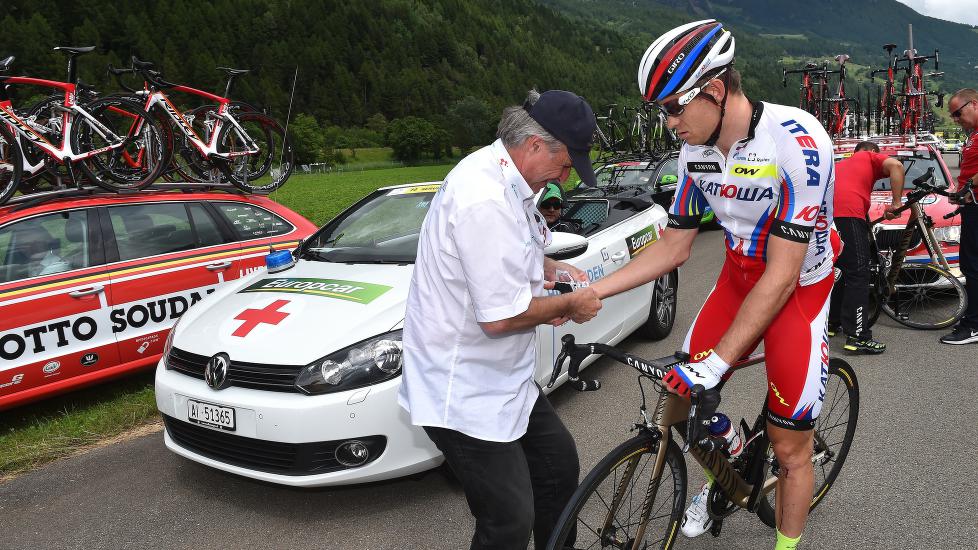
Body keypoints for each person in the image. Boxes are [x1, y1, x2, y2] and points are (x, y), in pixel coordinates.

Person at [591, 20, 837, 550]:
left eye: (674, 107)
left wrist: (719, 363)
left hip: (797, 287)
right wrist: (591, 293)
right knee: (679, 393)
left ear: (717, 90)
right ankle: (721, 477)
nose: (668, 122)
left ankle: (786, 544)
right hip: (737, 278)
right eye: (660, 111)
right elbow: (674, 247)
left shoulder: (796, 141)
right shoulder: (692, 153)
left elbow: (784, 271)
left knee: (789, 446)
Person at [398, 89, 603, 550]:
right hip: (464, 389)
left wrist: (549, 268)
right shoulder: (483, 198)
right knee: (508, 519)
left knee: (557, 466)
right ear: (534, 146)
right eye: (566, 165)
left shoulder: (508, 179)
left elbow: (508, 251)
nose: (565, 180)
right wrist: (571, 305)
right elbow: (502, 318)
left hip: (502, 378)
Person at [828, 141, 904, 353]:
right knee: (859, 274)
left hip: (827, 218)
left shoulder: (841, 165)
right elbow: (896, 167)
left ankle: (833, 323)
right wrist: (897, 203)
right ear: (872, 152)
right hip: (849, 215)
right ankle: (858, 337)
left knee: (841, 271)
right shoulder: (868, 156)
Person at [942, 89, 978, 344]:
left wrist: (968, 187)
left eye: (958, 113)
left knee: (972, 266)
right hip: (971, 204)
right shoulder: (973, 135)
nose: (955, 119)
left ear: (973, 104)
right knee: (970, 265)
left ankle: (974, 325)